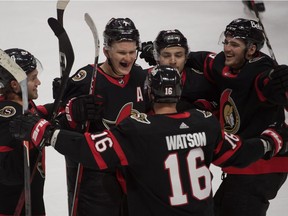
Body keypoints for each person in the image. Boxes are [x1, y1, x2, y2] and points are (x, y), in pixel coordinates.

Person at [9, 65, 288, 216]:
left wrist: (45, 132)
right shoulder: (205, 122)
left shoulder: (140, 129)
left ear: (149, 94)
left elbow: (91, 151)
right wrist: (271, 141)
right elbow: (238, 153)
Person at [182, 18, 288, 216]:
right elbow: (205, 60)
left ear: (251, 49)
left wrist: (282, 84)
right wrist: (173, 55)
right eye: (226, 41)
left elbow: (270, 85)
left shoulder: (262, 73)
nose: (227, 48)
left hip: (262, 165)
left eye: (234, 44)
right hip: (242, 163)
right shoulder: (225, 63)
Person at [54, 17, 149, 215]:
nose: (129, 58)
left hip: (134, 174)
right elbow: (59, 125)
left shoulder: (141, 77)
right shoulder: (86, 79)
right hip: (95, 177)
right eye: (122, 52)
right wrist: (73, 113)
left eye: (133, 52)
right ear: (106, 52)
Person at [0, 48, 49, 215]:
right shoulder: (8, 115)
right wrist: (35, 140)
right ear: (15, 85)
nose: (38, 83)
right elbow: (7, 173)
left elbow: (37, 116)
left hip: (31, 203)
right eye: (33, 78)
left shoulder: (23, 107)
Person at [140, 29, 219, 114]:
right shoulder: (141, 79)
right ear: (157, 58)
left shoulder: (202, 83)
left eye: (178, 55)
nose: (173, 61)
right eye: (166, 56)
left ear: (186, 58)